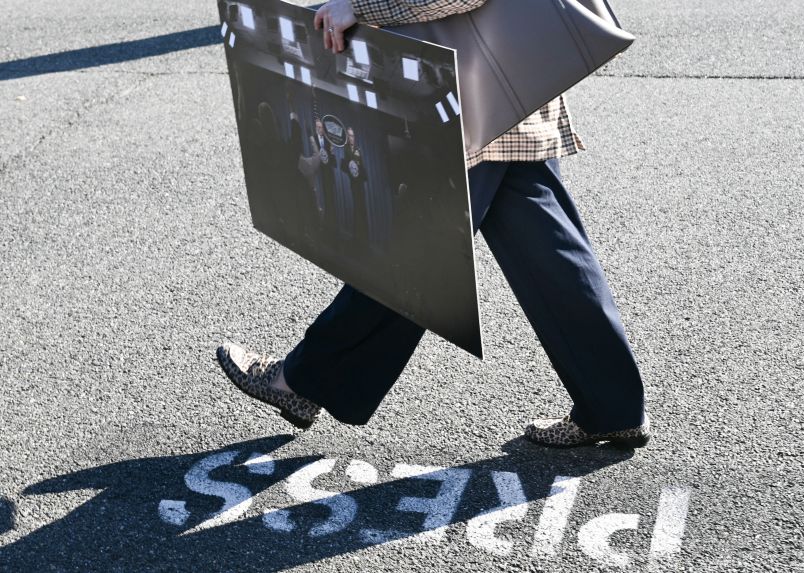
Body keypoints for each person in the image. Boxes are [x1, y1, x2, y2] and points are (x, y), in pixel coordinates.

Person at [216, 0, 650, 448]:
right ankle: (612, 406)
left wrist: (361, 6)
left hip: (476, 94)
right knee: (550, 256)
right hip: (510, 84)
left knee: (413, 254)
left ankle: (302, 381)